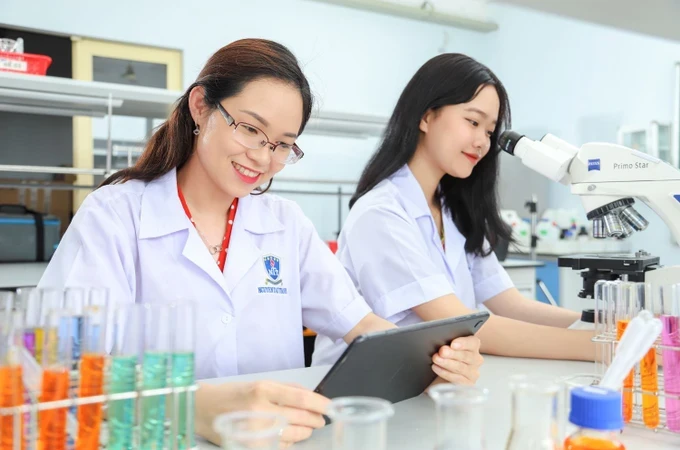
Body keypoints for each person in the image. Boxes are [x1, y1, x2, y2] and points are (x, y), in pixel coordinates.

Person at [37, 40, 483, 447]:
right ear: (200, 106)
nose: (263, 157)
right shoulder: (115, 216)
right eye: (250, 129)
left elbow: (362, 326)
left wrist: (433, 359)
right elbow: (57, 373)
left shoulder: (284, 224)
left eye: (283, 145)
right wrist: (190, 405)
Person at [312, 53, 596, 368]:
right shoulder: (380, 214)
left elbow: (511, 304)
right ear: (426, 116)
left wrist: (597, 325)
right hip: (361, 396)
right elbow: (458, 323)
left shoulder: (454, 211)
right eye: (473, 122)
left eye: (489, 131)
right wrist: (596, 346)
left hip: (431, 385)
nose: (482, 142)